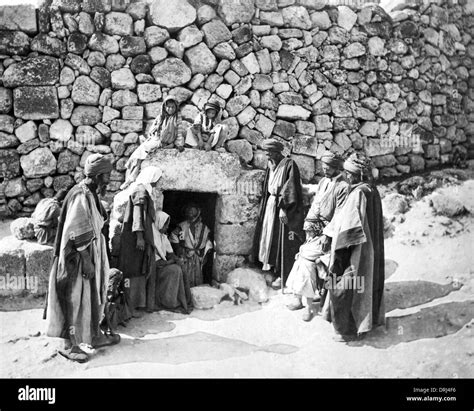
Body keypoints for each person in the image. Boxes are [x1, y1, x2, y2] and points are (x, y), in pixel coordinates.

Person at [45, 153, 119, 363]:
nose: (110, 178)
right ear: (98, 175)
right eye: (107, 174)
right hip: (76, 258)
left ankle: (93, 336)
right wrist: (86, 259)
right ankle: (69, 344)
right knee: (74, 297)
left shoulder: (91, 193)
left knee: (92, 295)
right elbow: (75, 230)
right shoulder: (80, 195)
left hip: (91, 253)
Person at [321, 152, 385, 342]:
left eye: (349, 173)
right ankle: (366, 323)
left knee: (345, 284)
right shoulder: (372, 190)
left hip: (355, 249)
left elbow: (348, 226)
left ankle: (347, 330)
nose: (346, 176)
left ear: (356, 175)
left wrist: (338, 251)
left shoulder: (358, 193)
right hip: (370, 249)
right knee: (366, 282)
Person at [285, 152, 349, 321]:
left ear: (336, 167)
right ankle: (300, 297)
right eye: (323, 167)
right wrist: (309, 227)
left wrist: (327, 236)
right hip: (317, 231)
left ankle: (307, 305)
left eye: (328, 168)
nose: (325, 170)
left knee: (305, 258)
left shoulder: (343, 187)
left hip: (332, 235)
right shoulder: (323, 182)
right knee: (302, 254)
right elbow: (315, 206)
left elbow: (340, 216)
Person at [252, 138, 304, 290]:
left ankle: (280, 272)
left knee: (280, 237)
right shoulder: (270, 164)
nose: (267, 156)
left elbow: (291, 188)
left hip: (282, 207)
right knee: (267, 235)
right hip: (270, 204)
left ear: (276, 152)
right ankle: (267, 265)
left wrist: (283, 208)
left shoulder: (289, 165)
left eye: (269, 153)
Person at [117, 166, 162, 316]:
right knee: (133, 270)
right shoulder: (140, 192)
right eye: (158, 178)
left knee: (139, 270)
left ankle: (137, 304)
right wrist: (140, 237)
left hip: (138, 238)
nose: (158, 182)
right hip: (135, 240)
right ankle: (130, 306)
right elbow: (137, 215)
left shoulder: (143, 190)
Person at [122, 96, 185, 189]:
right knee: (139, 154)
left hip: (166, 141)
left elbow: (178, 131)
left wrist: (178, 144)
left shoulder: (177, 118)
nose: (170, 109)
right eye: (168, 107)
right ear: (164, 106)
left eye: (172, 107)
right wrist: (154, 136)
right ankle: (131, 176)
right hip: (157, 139)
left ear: (176, 108)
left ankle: (131, 177)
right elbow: (153, 129)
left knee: (143, 150)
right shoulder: (161, 116)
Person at [153, 211, 192, 314]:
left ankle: (183, 300)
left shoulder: (163, 237)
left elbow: (170, 253)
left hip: (164, 264)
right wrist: (171, 262)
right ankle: (169, 302)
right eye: (165, 224)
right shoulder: (152, 236)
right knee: (175, 270)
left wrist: (176, 259)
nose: (166, 227)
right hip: (155, 268)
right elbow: (156, 262)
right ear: (159, 222)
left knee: (181, 267)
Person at [169, 204, 213, 288]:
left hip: (197, 256)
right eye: (188, 210)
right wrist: (178, 248)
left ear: (198, 212)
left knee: (197, 276)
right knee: (186, 275)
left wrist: (207, 250)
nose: (190, 211)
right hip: (185, 254)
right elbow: (173, 236)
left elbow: (208, 240)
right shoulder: (182, 226)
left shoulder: (204, 227)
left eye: (192, 210)